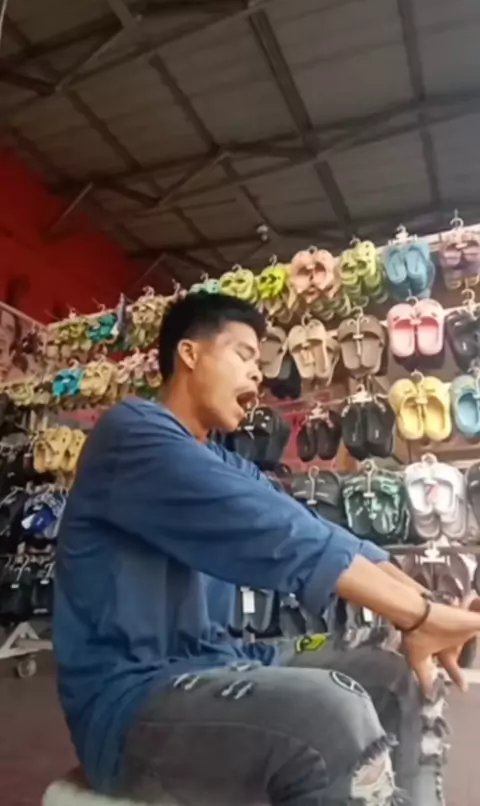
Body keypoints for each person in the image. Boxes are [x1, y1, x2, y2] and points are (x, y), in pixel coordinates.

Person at [54, 293, 480, 806]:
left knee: (396, 678)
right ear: (189, 354)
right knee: (328, 716)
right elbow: (275, 531)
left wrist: (428, 609)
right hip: (128, 701)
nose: (259, 373)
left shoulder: (225, 461)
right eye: (244, 354)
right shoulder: (131, 434)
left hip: (221, 659)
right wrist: (418, 616)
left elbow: (318, 530)